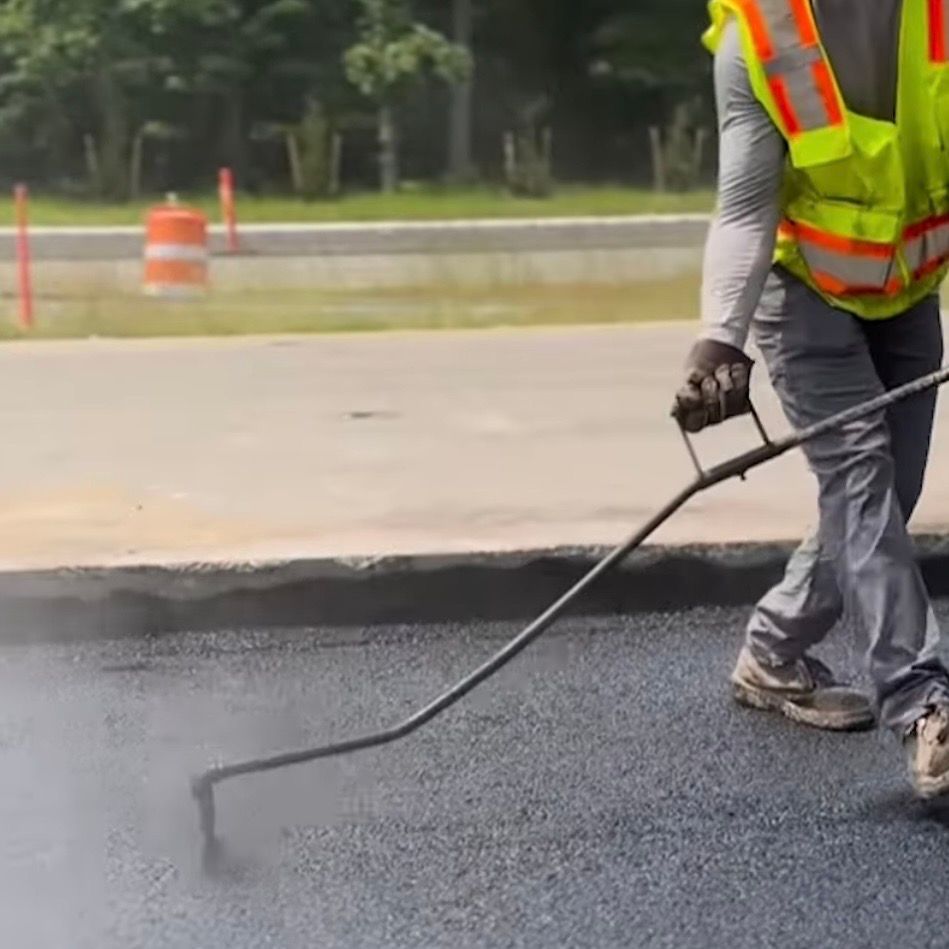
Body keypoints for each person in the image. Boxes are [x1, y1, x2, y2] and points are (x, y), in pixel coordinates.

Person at [672, 0, 949, 798]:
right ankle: (921, 704)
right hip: (802, 297)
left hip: (904, 287)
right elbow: (746, 207)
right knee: (862, 482)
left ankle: (769, 648)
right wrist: (720, 338)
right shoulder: (759, 39)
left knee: (888, 493)